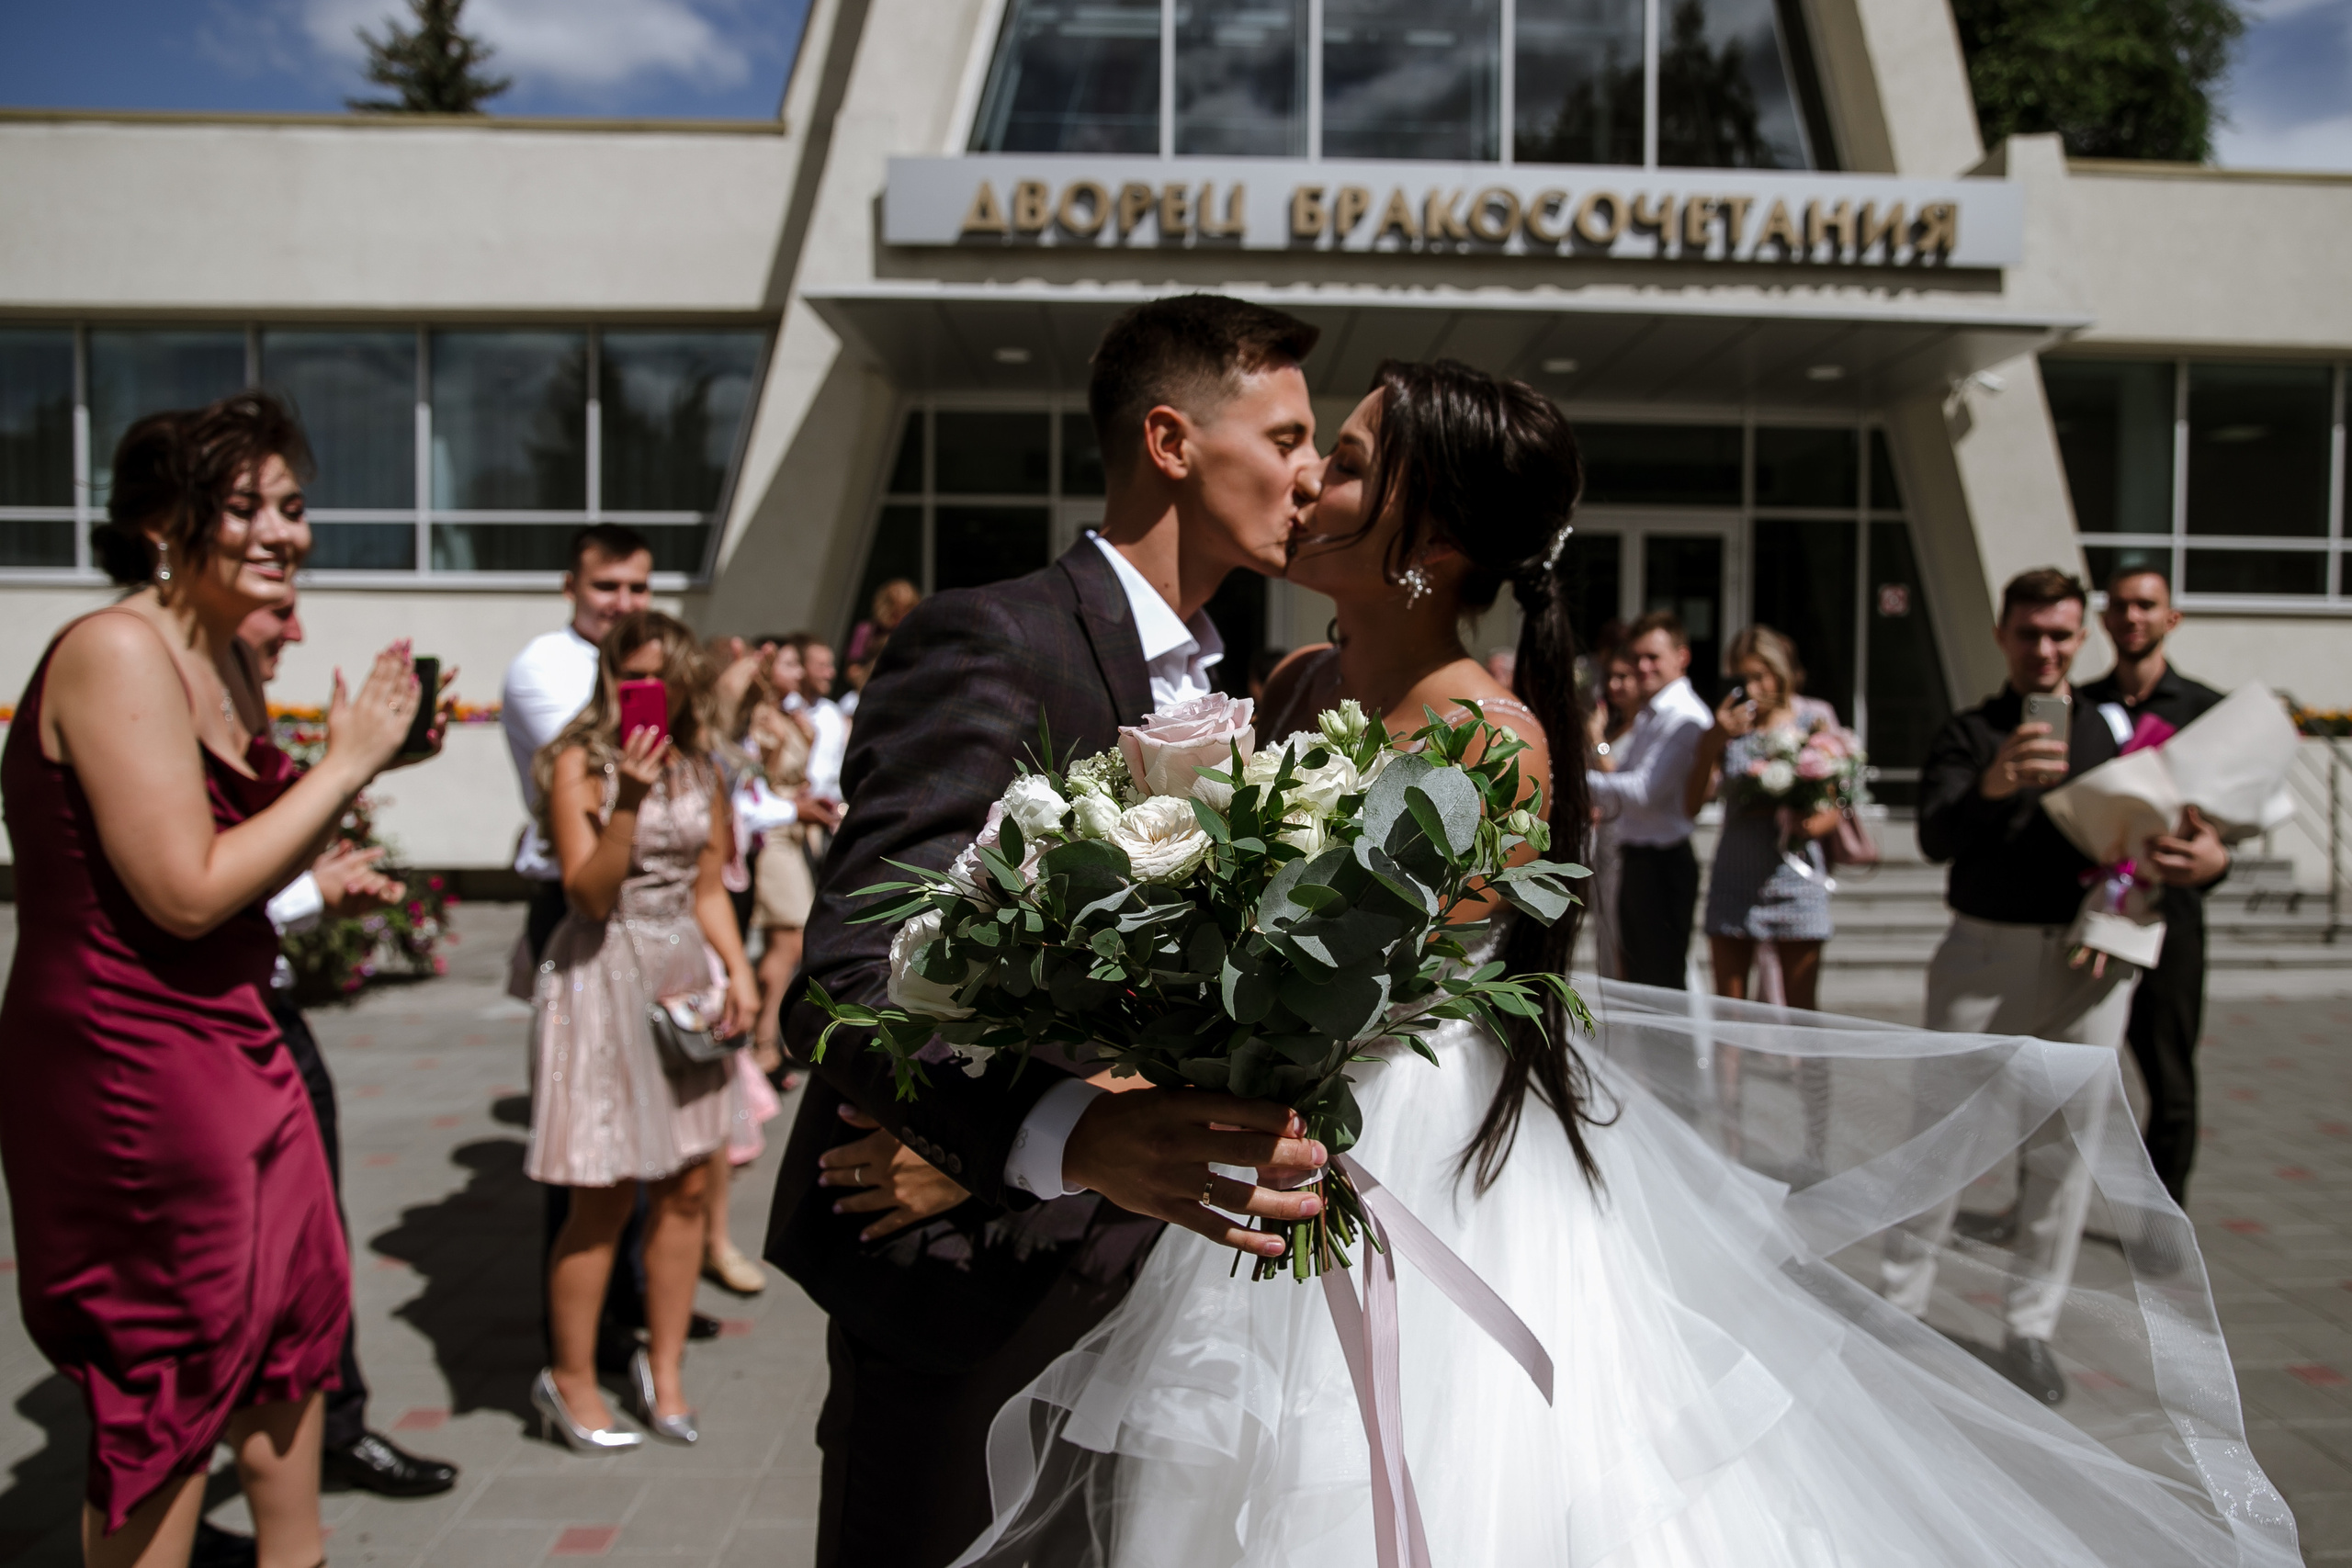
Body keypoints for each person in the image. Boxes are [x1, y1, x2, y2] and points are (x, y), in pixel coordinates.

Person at [946, 362, 2298, 1568]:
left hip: (1410, 1146)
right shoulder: (1294, 680)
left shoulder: (1491, 738)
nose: (1309, 476)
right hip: (1283, 1144)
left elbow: (1348, 984)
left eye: (1348, 458)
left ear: (1432, 539)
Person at [767, 294, 1330, 1568]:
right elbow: (847, 980)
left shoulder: (1247, 684)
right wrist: (1067, 1136)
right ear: (1174, 441)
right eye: (1288, 437)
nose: (1310, 475)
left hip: (1144, 1296)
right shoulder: (996, 635)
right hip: (963, 1300)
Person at [0, 393, 427, 1567]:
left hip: (241, 1043)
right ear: (155, 523)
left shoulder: (227, 659)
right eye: (242, 506)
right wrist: (344, 764)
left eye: (292, 507)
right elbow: (183, 891)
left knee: (294, 1326)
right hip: (132, 1067)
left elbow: (239, 874)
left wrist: (320, 836)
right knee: (172, 1371)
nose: (281, 532)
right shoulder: (115, 650)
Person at [1877, 567, 2224, 1405]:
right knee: (1943, 1134)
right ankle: (1896, 1308)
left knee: (2063, 1152)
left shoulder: (2114, 734)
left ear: (2083, 637)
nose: (2045, 649)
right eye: (2029, 633)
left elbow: (2169, 838)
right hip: (1983, 957)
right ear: (2003, 635)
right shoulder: (1969, 731)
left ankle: (2028, 1325)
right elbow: (1933, 836)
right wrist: (1994, 784)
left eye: (2061, 634)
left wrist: (2208, 866)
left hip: (2086, 964)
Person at [241, 593, 461, 1505]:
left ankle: (324, 1432)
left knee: (307, 1252)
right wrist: (306, 894)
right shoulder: (150, 696)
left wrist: (369, 764)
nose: (295, 629)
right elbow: (185, 893)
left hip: (267, 1015)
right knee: (263, 1263)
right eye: (275, 592)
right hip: (215, 1034)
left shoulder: (229, 706)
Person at [527, 610, 759, 1452]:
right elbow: (586, 894)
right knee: (600, 1193)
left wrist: (736, 968)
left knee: (689, 1188)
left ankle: (664, 1371)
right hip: (599, 974)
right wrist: (625, 794)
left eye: (660, 680)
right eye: (631, 680)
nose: (645, 698)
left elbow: (708, 885)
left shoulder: (704, 766)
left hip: (683, 971)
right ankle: (572, 1376)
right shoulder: (575, 763)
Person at [2076, 566, 2230, 1203]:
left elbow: (2225, 825)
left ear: (2172, 617)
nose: (2133, 616)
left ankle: (2168, 1216)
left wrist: (2215, 861)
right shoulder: (2079, 707)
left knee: (2171, 1078)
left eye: (2147, 605)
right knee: (2069, 1066)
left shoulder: (2206, 709)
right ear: (2105, 619)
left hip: (2170, 914)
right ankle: (2040, 1201)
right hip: (2088, 912)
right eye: (2121, 606)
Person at [502, 524, 655, 964]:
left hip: (655, 888)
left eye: (638, 588)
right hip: (576, 888)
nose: (624, 604)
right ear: (570, 587)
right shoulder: (543, 665)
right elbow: (598, 763)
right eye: (606, 587)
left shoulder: (646, 657)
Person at [1688, 625, 1842, 1011]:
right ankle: (1728, 1075)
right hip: (1735, 876)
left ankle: (1807, 1075)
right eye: (1742, 678)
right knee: (1730, 1012)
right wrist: (1711, 743)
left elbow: (1834, 807)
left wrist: (1804, 823)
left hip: (1795, 875)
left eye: (1760, 675)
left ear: (1780, 671)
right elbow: (1692, 804)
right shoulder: (1729, 728)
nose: (1752, 687)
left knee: (1803, 1010)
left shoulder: (1813, 719)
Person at [1586, 611, 1713, 988]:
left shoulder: (1684, 716)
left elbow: (1643, 791)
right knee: (1637, 979)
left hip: (1662, 862)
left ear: (1681, 657)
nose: (1642, 667)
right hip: (1637, 857)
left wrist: (1577, 781)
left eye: (1653, 657)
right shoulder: (1652, 713)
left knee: (1659, 983)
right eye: (1637, 657)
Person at [1585, 636, 1643, 978]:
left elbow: (1625, 783)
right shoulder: (1618, 725)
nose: (1614, 685)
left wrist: (1597, 742)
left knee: (1625, 935)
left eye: (1624, 677)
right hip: (1603, 839)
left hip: (1629, 842)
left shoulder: (1646, 728)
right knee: (1605, 932)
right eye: (1611, 677)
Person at [842, 579, 920, 709]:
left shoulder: (915, 636)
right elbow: (851, 670)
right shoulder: (867, 631)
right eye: (897, 611)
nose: (902, 616)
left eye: (908, 609)